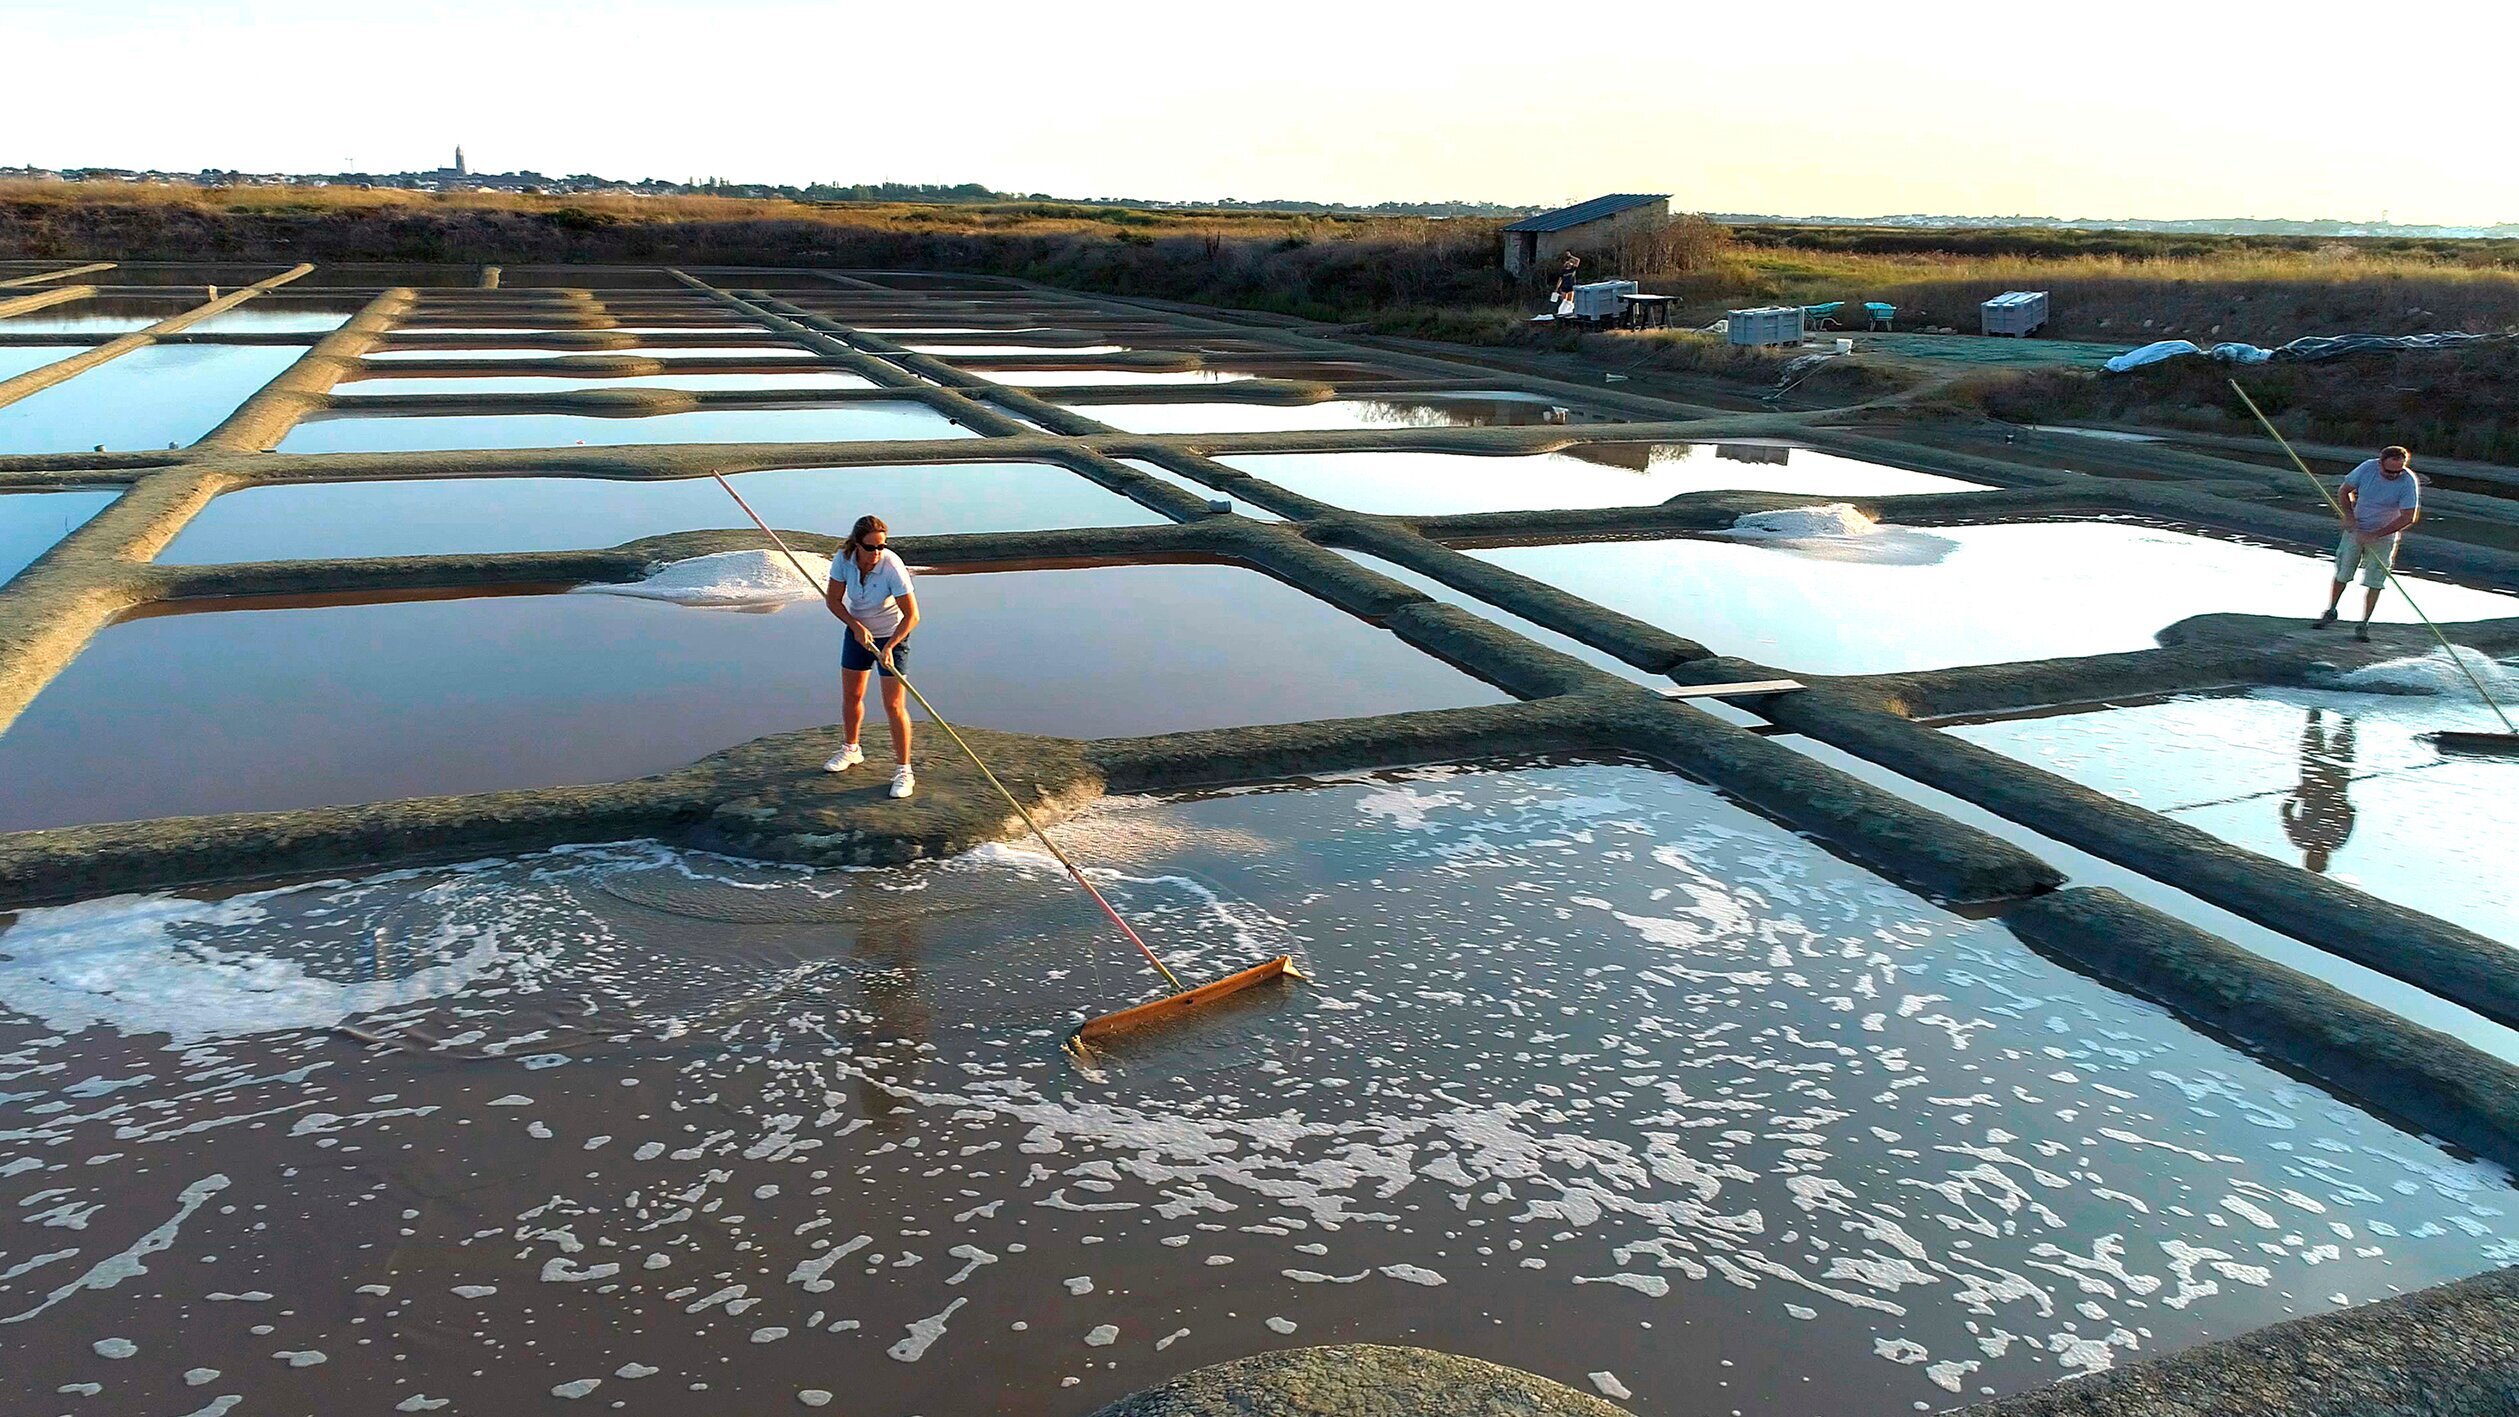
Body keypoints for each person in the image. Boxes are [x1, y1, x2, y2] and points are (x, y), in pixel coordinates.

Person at [822, 514, 920, 798]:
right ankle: (851, 750)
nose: (877, 553)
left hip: (893, 635)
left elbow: (913, 616)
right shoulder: (843, 559)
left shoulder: (892, 566)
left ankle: (904, 771)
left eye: (881, 546)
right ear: (856, 545)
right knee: (852, 696)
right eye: (871, 547)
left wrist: (889, 646)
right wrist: (855, 626)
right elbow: (833, 600)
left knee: (893, 705)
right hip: (858, 634)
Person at [2315, 444, 2421, 641]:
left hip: (2385, 534)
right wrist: (2349, 516)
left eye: (2397, 472)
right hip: (2357, 527)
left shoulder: (2407, 480)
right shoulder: (2367, 468)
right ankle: (2331, 610)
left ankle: (2364, 623)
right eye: (2389, 471)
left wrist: (2377, 534)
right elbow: (2344, 490)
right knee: (2343, 572)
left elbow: (2408, 516)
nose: (2392, 476)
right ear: (2380, 463)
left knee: (2375, 579)